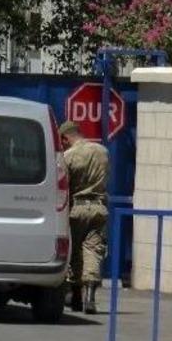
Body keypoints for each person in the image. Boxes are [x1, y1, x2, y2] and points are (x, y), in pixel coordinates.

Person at [59, 121, 109, 314]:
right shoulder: (103, 152)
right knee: (93, 250)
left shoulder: (68, 156)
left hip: (76, 208)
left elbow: (64, 184)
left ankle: (75, 296)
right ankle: (90, 297)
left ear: (65, 138)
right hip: (98, 207)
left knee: (74, 252)